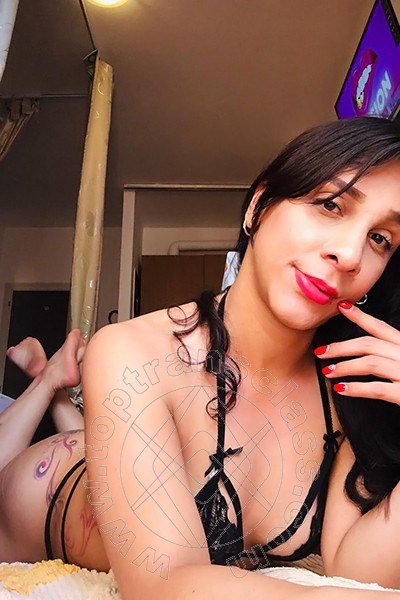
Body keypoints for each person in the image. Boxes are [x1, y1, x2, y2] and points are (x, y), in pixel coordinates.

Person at [2, 117, 400, 600]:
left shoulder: (350, 386)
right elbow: (163, 581)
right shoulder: (131, 350)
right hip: (30, 495)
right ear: (258, 206)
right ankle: (49, 384)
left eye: (381, 239)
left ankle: (58, 391)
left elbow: (355, 568)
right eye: (331, 204)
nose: (350, 253)